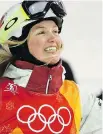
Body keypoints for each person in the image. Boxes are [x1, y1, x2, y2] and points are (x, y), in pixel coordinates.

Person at [0, 0, 102, 134]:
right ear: (18, 43)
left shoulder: (77, 96)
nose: (53, 38)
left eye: (55, 31)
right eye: (41, 32)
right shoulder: (3, 95)